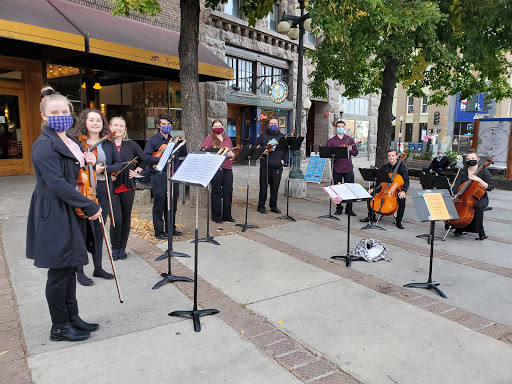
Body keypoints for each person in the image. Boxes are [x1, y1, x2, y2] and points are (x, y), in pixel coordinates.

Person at [26, 86, 102, 341]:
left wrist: (88, 159)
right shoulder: (44, 145)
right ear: (44, 116)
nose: (60, 115)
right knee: (59, 272)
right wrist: (90, 204)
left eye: (64, 111)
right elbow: (57, 183)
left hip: (69, 208)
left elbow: (76, 169)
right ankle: (59, 327)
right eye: (54, 112)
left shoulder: (68, 140)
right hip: (54, 210)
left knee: (71, 267)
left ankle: (73, 318)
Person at [74, 109, 122, 286]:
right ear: (84, 123)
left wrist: (104, 168)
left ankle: (98, 267)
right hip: (83, 189)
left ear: (103, 124)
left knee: (99, 229)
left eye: (98, 120)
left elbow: (117, 163)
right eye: (91, 120)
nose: (95, 123)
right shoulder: (78, 143)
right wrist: (89, 168)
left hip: (102, 188)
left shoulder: (108, 143)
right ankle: (79, 270)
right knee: (81, 230)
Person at [110, 116, 148, 259]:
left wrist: (137, 171)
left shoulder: (131, 144)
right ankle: (114, 247)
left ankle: (122, 247)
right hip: (112, 186)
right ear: (110, 127)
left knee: (126, 218)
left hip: (128, 185)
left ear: (125, 129)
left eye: (121, 126)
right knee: (116, 218)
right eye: (115, 125)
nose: (118, 128)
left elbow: (144, 159)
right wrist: (108, 174)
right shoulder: (107, 145)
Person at [144, 114, 186, 239]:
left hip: (172, 175)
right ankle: (159, 231)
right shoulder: (152, 140)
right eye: (163, 124)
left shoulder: (173, 141)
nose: (166, 126)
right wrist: (159, 158)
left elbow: (177, 158)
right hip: (159, 175)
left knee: (172, 203)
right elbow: (146, 157)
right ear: (158, 126)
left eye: (168, 124)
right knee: (159, 203)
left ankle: (171, 228)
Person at [360, 149, 410, 229]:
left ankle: (398, 220)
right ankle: (371, 217)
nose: (391, 158)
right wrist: (373, 188)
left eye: (393, 155)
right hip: (384, 188)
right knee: (369, 195)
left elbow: (406, 181)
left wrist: (403, 191)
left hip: (395, 190)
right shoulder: (385, 167)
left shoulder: (402, 168)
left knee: (402, 199)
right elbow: (378, 180)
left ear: (397, 156)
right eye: (389, 156)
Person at [451, 150, 493, 240]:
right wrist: (453, 193)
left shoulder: (484, 172)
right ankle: (460, 227)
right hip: (464, 196)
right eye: (468, 159)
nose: (471, 160)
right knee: (454, 204)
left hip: (480, 197)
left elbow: (490, 187)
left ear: (478, 159)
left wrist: (478, 179)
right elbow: (457, 184)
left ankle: (480, 231)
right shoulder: (463, 171)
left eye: (473, 158)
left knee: (477, 206)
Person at [201, 119, 236, 223]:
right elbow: (205, 150)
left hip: (228, 168)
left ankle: (227, 215)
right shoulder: (209, 139)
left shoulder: (227, 139)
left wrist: (231, 154)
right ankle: (216, 216)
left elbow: (233, 153)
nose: (217, 128)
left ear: (223, 127)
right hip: (216, 168)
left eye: (219, 126)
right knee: (216, 192)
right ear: (212, 128)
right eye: (215, 126)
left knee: (228, 191)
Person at [326, 120, 358, 216]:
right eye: (338, 126)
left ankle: (349, 209)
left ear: (344, 128)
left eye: (342, 126)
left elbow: (356, 153)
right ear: (336, 128)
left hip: (348, 167)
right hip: (337, 167)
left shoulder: (350, 140)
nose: (340, 128)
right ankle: (338, 208)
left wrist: (351, 150)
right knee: (337, 189)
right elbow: (327, 152)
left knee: (350, 189)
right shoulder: (332, 141)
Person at [255, 118, 288, 214]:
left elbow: (287, 150)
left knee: (275, 187)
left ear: (278, 125)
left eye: (275, 123)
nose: (273, 125)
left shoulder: (282, 137)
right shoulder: (263, 137)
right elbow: (256, 148)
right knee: (263, 187)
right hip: (266, 165)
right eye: (271, 123)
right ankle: (261, 206)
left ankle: (273, 206)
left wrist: (283, 160)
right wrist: (263, 152)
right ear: (268, 125)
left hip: (277, 166)